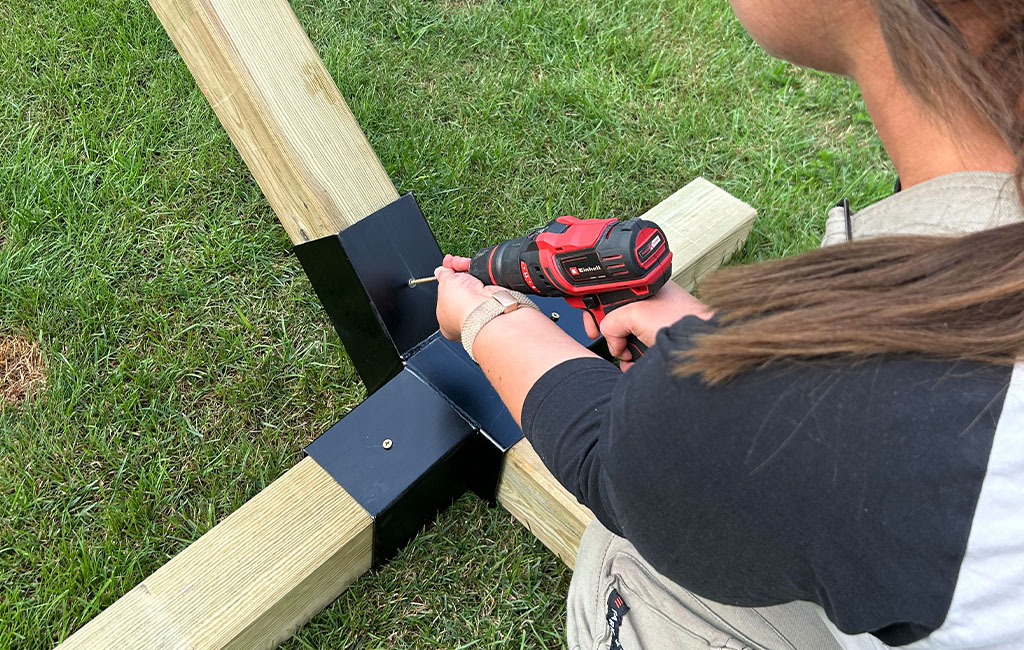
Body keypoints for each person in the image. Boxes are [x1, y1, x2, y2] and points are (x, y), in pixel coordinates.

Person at [434, 0, 1024, 648]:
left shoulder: (842, 407)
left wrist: (485, 317)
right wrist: (726, 347)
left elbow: (618, 462)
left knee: (632, 557)